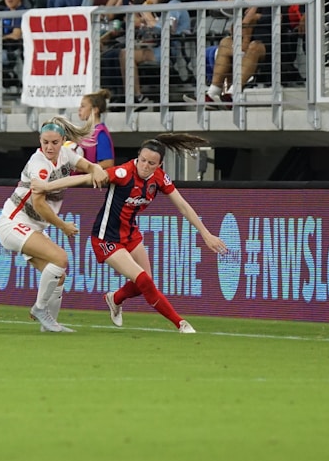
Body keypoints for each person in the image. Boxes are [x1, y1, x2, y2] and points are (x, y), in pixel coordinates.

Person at [31, 133, 228, 333]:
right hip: (106, 238)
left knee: (145, 283)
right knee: (143, 280)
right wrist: (46, 186)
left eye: (151, 163)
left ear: (159, 165)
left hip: (131, 235)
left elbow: (183, 206)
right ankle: (180, 323)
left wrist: (205, 233)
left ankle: (114, 298)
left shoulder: (159, 178)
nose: (145, 166)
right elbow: (84, 178)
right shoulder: (123, 173)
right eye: (142, 160)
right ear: (138, 157)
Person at [0, 116, 108, 333]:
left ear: (63, 141)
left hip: (32, 226)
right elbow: (38, 203)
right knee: (61, 258)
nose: (49, 147)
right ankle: (39, 309)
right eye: (45, 142)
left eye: (54, 142)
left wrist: (96, 169)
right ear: (40, 141)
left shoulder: (66, 154)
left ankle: (50, 326)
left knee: (58, 274)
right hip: (13, 222)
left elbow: (86, 165)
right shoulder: (40, 165)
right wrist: (63, 226)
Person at [119, 0, 191, 108]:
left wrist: (148, 16)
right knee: (123, 53)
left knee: (127, 55)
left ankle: (137, 97)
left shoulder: (174, 5)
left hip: (174, 52)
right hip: (162, 48)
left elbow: (168, 29)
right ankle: (134, 97)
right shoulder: (164, 8)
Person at [204, 0, 268, 104]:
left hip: (263, 46)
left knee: (253, 46)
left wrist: (251, 19)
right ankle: (213, 93)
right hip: (244, 45)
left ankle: (232, 93)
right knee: (226, 42)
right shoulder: (243, 7)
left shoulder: (268, 4)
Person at [77, 89, 116, 169]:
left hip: (89, 180)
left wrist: (85, 168)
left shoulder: (100, 134)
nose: (79, 109)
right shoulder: (87, 132)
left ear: (95, 110)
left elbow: (108, 163)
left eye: (83, 106)